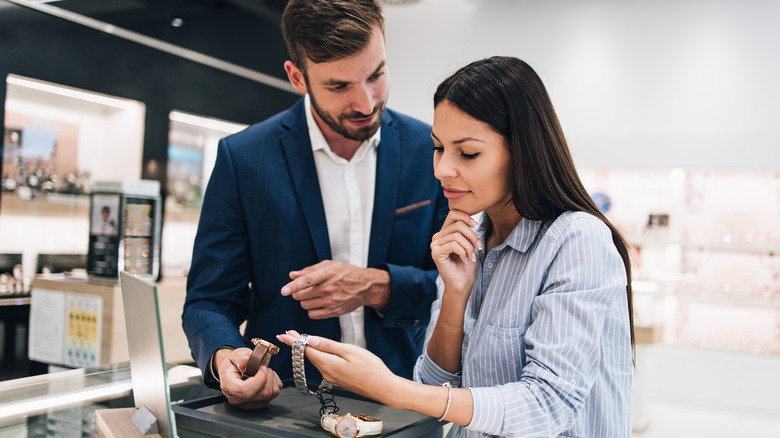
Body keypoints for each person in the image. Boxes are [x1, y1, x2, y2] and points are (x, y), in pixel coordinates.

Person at [278, 56, 635, 437]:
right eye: (438, 148)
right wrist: (455, 294)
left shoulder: (577, 240)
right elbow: (434, 385)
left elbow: (548, 406)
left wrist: (391, 388)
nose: (441, 169)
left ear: (523, 151)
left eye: (467, 153)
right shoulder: (469, 236)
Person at [182, 0, 448, 410]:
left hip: (406, 404)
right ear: (297, 77)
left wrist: (375, 287)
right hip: (285, 409)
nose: (365, 102)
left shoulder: (429, 150)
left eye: (376, 75)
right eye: (339, 86)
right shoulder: (244, 158)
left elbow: (460, 288)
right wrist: (222, 356)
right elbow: (209, 300)